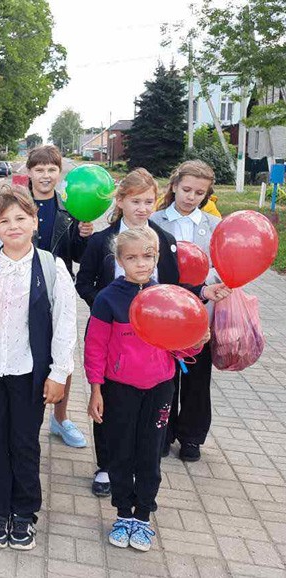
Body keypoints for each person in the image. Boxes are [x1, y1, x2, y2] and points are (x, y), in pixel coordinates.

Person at [76, 168, 228, 497]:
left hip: (153, 341)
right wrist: (106, 306)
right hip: (112, 335)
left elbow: (175, 289)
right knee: (110, 403)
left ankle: (139, 464)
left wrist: (203, 292)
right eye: (135, 201)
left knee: (147, 405)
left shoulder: (165, 241)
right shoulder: (102, 240)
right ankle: (105, 465)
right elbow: (84, 282)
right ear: (120, 201)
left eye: (148, 201)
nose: (142, 208)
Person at [0, 187, 77, 550]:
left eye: (20, 219)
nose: (13, 226)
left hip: (28, 371)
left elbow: (65, 323)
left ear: (35, 223)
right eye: (4, 220)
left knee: (24, 443)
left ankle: (24, 513)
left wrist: (58, 373)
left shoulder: (51, 267)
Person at [85, 227, 211, 552]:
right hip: (120, 390)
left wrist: (196, 343)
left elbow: (179, 348)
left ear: (156, 258)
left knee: (151, 453)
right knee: (121, 452)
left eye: (147, 256)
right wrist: (96, 389)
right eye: (132, 257)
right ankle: (123, 513)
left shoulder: (168, 298)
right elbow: (95, 348)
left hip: (159, 389)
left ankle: (143, 515)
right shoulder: (107, 299)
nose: (141, 263)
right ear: (119, 260)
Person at [150, 160, 221, 462]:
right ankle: (162, 432)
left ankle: (191, 436)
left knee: (196, 376)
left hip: (199, 313)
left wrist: (205, 284)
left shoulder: (214, 226)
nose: (191, 197)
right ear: (175, 185)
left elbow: (221, 265)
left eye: (199, 193)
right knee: (165, 377)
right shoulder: (154, 221)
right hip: (163, 313)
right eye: (187, 189)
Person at [26, 145, 92, 449]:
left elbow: (77, 256)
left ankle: (61, 418)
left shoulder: (69, 211)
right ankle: (24, 415)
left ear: (59, 173)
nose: (45, 175)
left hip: (58, 293)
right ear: (28, 172)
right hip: (23, 290)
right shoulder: (16, 206)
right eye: (39, 169)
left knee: (61, 354)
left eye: (51, 169)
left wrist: (83, 236)